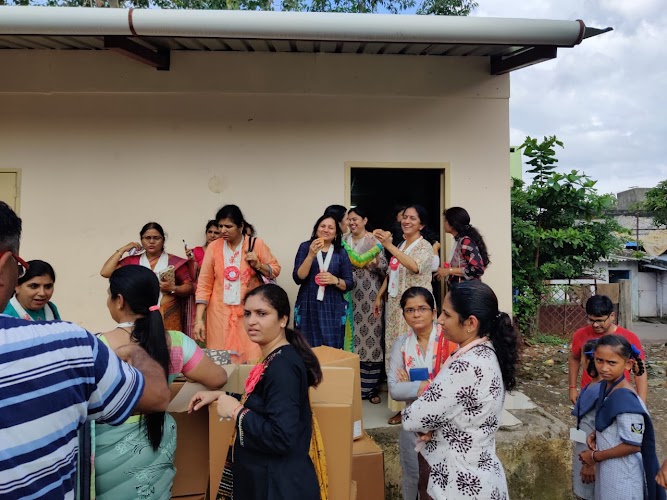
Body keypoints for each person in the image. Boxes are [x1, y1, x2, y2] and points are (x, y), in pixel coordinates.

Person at [0, 201, 170, 499]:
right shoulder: (71, 344)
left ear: (118, 300)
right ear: (8, 269)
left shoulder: (80, 334)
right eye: (31, 282)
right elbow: (160, 394)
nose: (42, 293)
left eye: (48, 286)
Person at [94, 265, 228, 499]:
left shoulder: (99, 345)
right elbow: (218, 378)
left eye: (109, 295)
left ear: (119, 301)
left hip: (108, 443)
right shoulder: (175, 341)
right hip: (156, 438)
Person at [188, 284, 324, 500]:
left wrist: (236, 411)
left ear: (283, 319)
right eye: (247, 314)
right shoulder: (274, 357)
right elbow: (263, 402)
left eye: (262, 313)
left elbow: (281, 436)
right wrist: (221, 396)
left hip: (277, 486)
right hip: (269, 478)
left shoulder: (283, 366)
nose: (251, 321)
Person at [402, 280, 518, 499]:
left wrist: (427, 419)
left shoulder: (466, 366)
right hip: (479, 475)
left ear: (470, 323)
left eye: (447, 314)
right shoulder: (487, 352)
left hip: (458, 482)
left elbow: (412, 419)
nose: (440, 320)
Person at [388, 287, 457, 500]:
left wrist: (413, 386)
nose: (416, 314)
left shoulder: (450, 340)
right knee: (414, 477)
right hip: (414, 424)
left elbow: (456, 388)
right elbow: (394, 390)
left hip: (447, 424)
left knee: (447, 479)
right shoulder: (402, 344)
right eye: (410, 310)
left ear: (433, 312)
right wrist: (434, 385)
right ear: (404, 315)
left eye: (422, 308)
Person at [578, 334, 664, 500]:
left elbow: (633, 445)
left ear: (628, 364)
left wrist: (594, 457)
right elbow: (612, 423)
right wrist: (596, 434)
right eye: (599, 360)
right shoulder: (606, 387)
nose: (604, 368)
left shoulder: (626, 400)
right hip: (610, 472)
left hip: (624, 477)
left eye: (612, 363)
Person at [194, 205, 281, 362]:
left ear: (241, 226)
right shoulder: (213, 247)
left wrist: (258, 265)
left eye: (228, 226)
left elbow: (275, 270)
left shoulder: (256, 244)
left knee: (252, 356)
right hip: (219, 314)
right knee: (220, 358)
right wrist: (199, 320)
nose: (223, 230)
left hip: (250, 312)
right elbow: (204, 284)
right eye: (220, 226)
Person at [373, 204, 434, 420]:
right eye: (405, 217)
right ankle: (400, 404)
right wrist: (379, 296)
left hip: (415, 309)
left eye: (412, 218)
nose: (406, 221)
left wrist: (389, 246)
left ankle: (415, 405)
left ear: (422, 225)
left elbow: (414, 266)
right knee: (396, 353)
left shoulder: (424, 246)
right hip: (396, 308)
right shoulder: (401, 244)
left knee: (414, 354)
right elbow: (392, 273)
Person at [101, 222, 194, 334]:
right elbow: (105, 272)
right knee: (140, 343)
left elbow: (190, 287)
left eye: (156, 238)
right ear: (141, 240)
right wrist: (123, 249)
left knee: (170, 343)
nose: (151, 241)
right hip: (138, 313)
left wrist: (173, 288)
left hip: (168, 313)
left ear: (163, 240)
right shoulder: (132, 261)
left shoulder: (174, 262)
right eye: (147, 238)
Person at [569, 294, 647, 405]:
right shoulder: (580, 335)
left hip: (618, 395)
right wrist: (572, 387)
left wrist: (641, 403)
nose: (595, 325)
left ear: (612, 316)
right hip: (590, 395)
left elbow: (640, 371)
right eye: (591, 320)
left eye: (600, 320)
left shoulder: (629, 338)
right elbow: (574, 359)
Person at [345, 207, 388, 402]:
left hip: (370, 294)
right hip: (347, 294)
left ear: (364, 220)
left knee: (371, 338)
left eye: (355, 219)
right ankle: (352, 388)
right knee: (350, 339)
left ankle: (370, 390)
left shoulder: (374, 241)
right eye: (349, 220)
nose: (352, 223)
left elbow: (385, 268)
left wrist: (375, 262)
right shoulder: (343, 240)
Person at [293, 213, 354, 349]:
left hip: (333, 304)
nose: (326, 230)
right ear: (316, 229)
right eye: (322, 226)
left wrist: (335, 280)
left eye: (331, 228)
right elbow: (298, 278)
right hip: (309, 302)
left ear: (336, 233)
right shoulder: (305, 247)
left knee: (331, 346)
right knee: (306, 345)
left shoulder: (341, 252)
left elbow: (349, 284)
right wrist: (311, 255)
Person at [572, 340, 602, 500]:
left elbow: (603, 431)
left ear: (588, 359)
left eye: (581, 356)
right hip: (583, 451)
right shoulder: (591, 386)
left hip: (591, 456)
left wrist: (591, 463)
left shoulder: (602, 391)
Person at [435, 207, 489, 285]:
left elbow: (478, 269)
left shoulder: (465, 241)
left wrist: (449, 270)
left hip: (467, 289)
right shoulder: (459, 240)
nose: (444, 223)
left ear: (453, 224)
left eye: (445, 220)